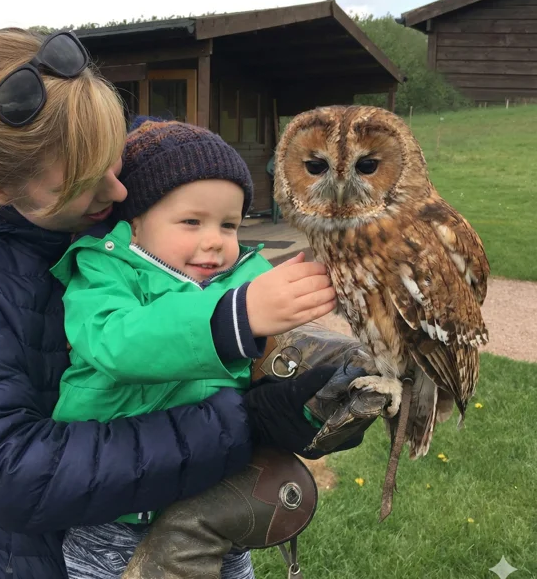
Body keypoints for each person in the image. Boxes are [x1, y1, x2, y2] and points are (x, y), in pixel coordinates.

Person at [0, 28, 367, 579]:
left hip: (199, 506)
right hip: (53, 553)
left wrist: (303, 376)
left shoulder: (154, 160)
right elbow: (12, 470)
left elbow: (236, 255)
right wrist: (243, 422)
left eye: (112, 154)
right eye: (84, 188)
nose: (119, 194)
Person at [51, 118, 345, 578]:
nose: (214, 241)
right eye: (191, 221)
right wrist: (235, 318)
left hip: (216, 506)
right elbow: (117, 344)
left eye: (229, 224)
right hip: (111, 519)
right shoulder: (104, 270)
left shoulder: (246, 279)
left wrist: (314, 395)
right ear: (136, 221)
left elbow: (270, 373)